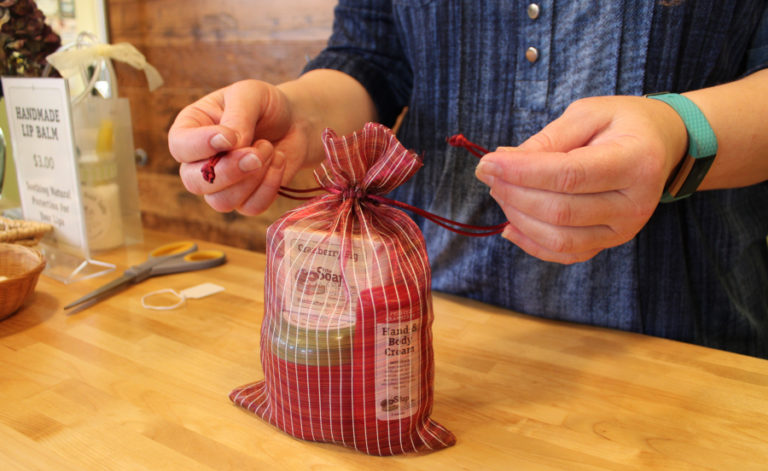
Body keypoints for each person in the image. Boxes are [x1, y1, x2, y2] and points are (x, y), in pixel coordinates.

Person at [168, 1, 768, 357]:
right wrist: (296, 114)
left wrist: (680, 131)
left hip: (691, 347)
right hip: (423, 336)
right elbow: (372, 59)